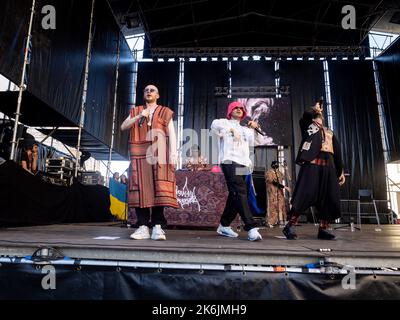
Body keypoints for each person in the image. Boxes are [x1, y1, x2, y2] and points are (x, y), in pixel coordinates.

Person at [121, 84, 178, 241]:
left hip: (160, 152)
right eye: (146, 90)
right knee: (140, 187)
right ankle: (143, 226)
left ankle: (158, 227)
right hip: (140, 153)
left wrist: (173, 152)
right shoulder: (136, 110)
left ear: (157, 95)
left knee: (159, 187)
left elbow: (171, 132)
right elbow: (123, 126)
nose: (149, 92)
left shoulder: (165, 111)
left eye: (152, 90)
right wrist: (140, 116)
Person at [282, 101, 345, 240]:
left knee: (329, 198)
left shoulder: (329, 131)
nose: (319, 118)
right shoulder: (308, 126)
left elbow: (337, 152)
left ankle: (323, 229)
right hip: (312, 166)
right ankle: (290, 225)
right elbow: (306, 116)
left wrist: (340, 171)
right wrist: (314, 109)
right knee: (305, 194)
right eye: (317, 116)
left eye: (320, 117)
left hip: (328, 168)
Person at [210, 101, 263, 241]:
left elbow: (256, 142)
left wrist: (256, 128)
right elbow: (214, 125)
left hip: (244, 164)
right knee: (239, 192)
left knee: (236, 194)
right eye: (236, 108)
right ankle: (251, 227)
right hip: (229, 161)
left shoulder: (246, 129)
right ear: (230, 111)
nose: (239, 109)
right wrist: (231, 130)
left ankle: (224, 224)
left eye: (241, 108)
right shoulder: (223, 123)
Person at [265, 161, 288, 227]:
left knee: (281, 206)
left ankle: (280, 220)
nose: (276, 167)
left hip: (279, 192)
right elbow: (273, 182)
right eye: (275, 165)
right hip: (272, 192)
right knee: (272, 207)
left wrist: (286, 170)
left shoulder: (279, 173)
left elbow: (286, 178)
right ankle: (270, 222)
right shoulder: (269, 173)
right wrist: (284, 187)